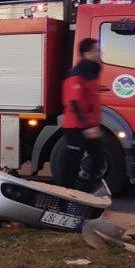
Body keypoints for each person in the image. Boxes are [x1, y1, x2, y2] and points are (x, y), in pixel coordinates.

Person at [55, 38, 105, 191]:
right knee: (72, 164)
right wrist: (89, 126)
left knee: (98, 158)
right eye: (96, 50)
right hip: (76, 126)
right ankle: (65, 195)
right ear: (86, 53)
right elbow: (75, 101)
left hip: (87, 125)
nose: (99, 53)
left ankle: (87, 191)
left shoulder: (91, 72)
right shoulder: (76, 74)